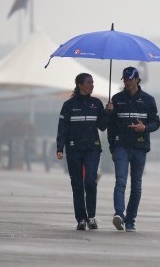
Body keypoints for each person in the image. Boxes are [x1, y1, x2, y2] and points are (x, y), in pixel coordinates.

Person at [105, 66, 160, 232]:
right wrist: (112, 147)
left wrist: (144, 128)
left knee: (136, 185)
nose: (127, 82)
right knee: (120, 181)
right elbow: (111, 126)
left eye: (130, 79)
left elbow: (156, 123)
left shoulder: (149, 100)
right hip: (121, 146)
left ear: (137, 79)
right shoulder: (116, 99)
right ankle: (119, 215)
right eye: (125, 79)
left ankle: (130, 221)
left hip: (140, 147)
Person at [56, 73, 108, 230]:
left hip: (92, 148)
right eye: (88, 82)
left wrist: (108, 112)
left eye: (92, 82)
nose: (92, 85)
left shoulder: (96, 103)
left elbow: (103, 126)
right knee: (77, 184)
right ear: (80, 84)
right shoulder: (69, 105)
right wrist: (60, 147)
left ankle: (91, 217)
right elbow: (62, 128)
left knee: (90, 181)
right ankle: (81, 219)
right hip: (74, 149)